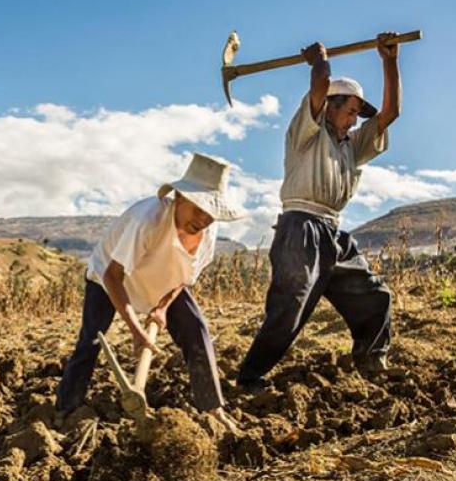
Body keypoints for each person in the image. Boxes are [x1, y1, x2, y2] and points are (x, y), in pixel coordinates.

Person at [237, 32, 402, 391]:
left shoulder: (351, 146)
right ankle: (250, 377)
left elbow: (390, 113)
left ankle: (371, 360)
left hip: (333, 232)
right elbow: (321, 84)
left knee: (375, 295)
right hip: (300, 228)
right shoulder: (306, 133)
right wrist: (319, 62)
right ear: (330, 106)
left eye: (358, 114)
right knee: (291, 305)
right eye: (351, 111)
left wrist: (389, 61)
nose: (356, 121)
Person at [56, 153, 244, 428]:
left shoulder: (208, 234)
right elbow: (113, 275)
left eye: (211, 213)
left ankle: (213, 409)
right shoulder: (148, 220)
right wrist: (136, 331)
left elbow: (184, 278)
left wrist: (162, 308)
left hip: (160, 283)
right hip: (108, 278)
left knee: (196, 328)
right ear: (179, 197)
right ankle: (66, 409)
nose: (204, 218)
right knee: (91, 340)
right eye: (198, 208)